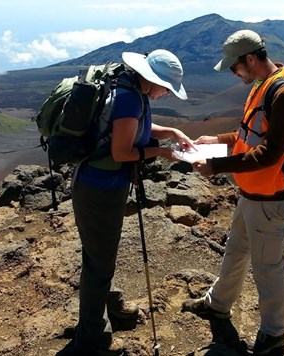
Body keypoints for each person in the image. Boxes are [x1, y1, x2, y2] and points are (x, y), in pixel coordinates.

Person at [58, 49, 194, 356]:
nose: (166, 94)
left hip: (105, 186)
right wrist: (162, 152)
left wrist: (172, 131)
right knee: (98, 263)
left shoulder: (135, 90)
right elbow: (122, 152)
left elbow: (137, 130)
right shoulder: (130, 96)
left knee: (101, 255)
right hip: (98, 189)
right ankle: (92, 340)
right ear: (152, 78)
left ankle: (113, 305)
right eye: (166, 87)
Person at [181, 30, 284, 354]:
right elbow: (246, 133)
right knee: (235, 252)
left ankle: (273, 336)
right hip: (250, 194)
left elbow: (270, 153)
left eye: (234, 68)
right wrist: (217, 140)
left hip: (269, 198)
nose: (234, 74)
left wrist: (217, 167)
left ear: (250, 59)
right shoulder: (263, 87)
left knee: (268, 268)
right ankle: (217, 304)